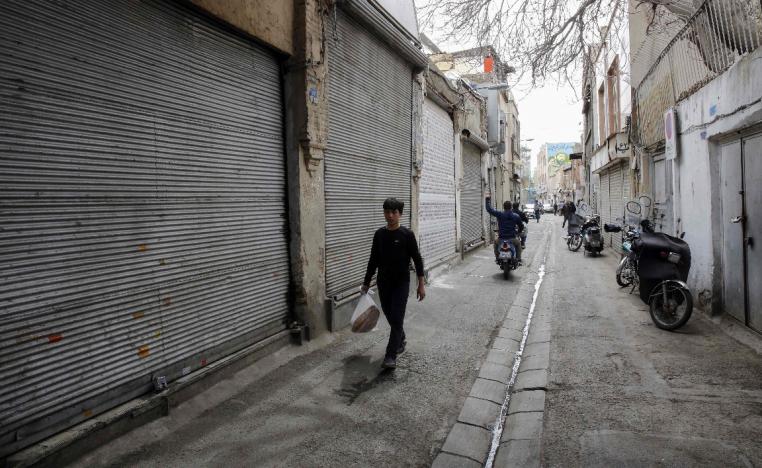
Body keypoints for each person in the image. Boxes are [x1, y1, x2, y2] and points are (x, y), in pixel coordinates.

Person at [362, 198, 425, 370]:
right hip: (383, 283)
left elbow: (417, 260)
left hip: (401, 283)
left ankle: (390, 356)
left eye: (393, 212)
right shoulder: (379, 235)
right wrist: (366, 282)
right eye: (387, 212)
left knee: (396, 317)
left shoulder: (407, 235)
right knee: (390, 315)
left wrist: (421, 283)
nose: (389, 215)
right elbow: (373, 260)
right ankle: (401, 337)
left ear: (400, 214)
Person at [485, 193, 524, 262]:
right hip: (512, 238)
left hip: (501, 238)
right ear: (511, 207)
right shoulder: (516, 216)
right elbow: (521, 226)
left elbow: (489, 210)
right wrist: (519, 232)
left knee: (495, 244)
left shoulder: (500, 214)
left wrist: (487, 200)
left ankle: (497, 258)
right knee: (518, 244)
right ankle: (518, 259)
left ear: (504, 207)